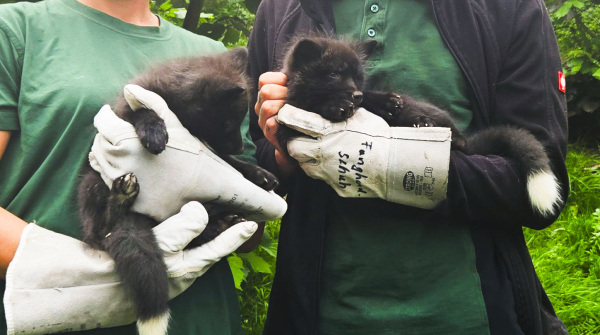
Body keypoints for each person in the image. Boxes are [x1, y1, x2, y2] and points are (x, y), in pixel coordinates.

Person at [249, 0, 570, 334]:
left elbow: (540, 197)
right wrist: (283, 152)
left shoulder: (508, 8)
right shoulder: (279, 9)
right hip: (318, 315)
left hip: (467, 315)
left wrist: (387, 163)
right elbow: (250, 157)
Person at [0, 0, 268, 333]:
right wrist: (79, 272)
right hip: (56, 314)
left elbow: (252, 224)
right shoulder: (14, 30)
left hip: (198, 317)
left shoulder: (217, 59)